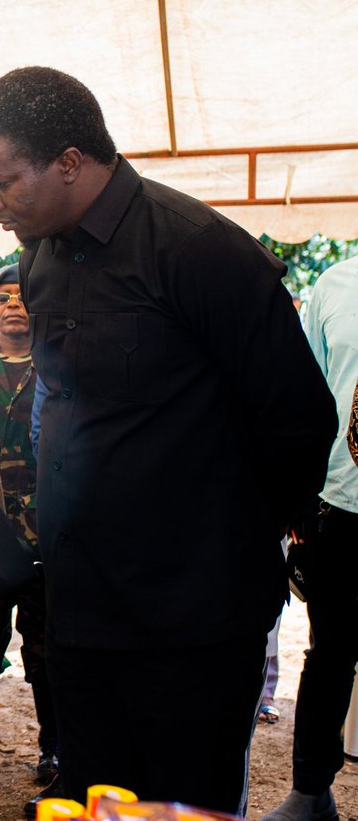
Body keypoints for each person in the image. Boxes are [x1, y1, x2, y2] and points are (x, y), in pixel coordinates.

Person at [0, 66, 336, 813]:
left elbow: (299, 419)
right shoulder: (39, 259)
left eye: (3, 182)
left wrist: (222, 541)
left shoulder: (201, 251)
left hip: (192, 616)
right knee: (98, 794)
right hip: (80, 604)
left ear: (70, 161)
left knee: (182, 803)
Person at [264, 256, 358, 821]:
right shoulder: (336, 283)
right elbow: (309, 393)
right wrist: (300, 499)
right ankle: (311, 791)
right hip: (342, 505)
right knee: (331, 652)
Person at [0, 263, 58, 792]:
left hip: (48, 531)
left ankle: (52, 749)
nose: (14, 303)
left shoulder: (60, 367)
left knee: (45, 648)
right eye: (3, 296)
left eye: (24, 295)